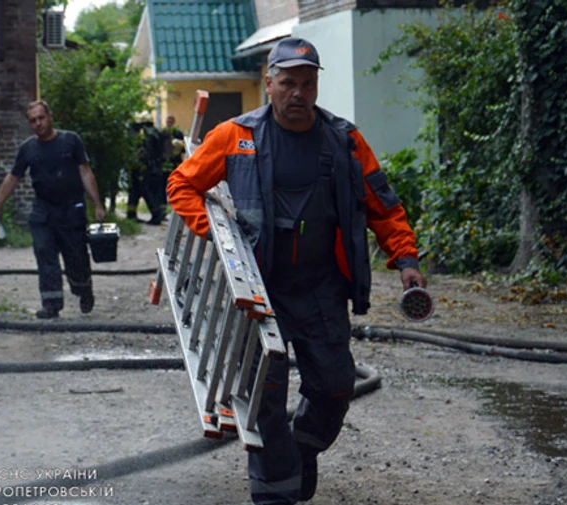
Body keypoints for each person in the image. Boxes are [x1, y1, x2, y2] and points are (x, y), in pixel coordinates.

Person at [166, 37, 428, 505]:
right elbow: (182, 183)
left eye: (307, 83)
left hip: (320, 289)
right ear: (269, 83)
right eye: (288, 82)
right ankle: (275, 492)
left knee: (334, 387)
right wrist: (219, 236)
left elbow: (384, 207)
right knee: (265, 394)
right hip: (259, 290)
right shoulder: (235, 137)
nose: (298, 93)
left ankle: (300, 447)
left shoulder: (344, 141)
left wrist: (406, 260)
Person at [0, 100, 106, 319]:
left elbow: (85, 172)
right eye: (33, 120)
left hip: (72, 209)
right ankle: (51, 304)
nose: (38, 123)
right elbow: (13, 178)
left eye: (41, 118)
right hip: (43, 211)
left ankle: (83, 289)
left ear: (50, 117)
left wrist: (97, 204)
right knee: (45, 255)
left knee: (76, 258)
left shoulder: (71, 141)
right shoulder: (28, 149)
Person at [127, 110, 167, 225]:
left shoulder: (141, 132)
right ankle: (134, 214)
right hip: (153, 167)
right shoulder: (155, 132)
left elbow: (142, 151)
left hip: (141, 167)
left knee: (140, 190)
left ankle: (155, 213)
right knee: (143, 190)